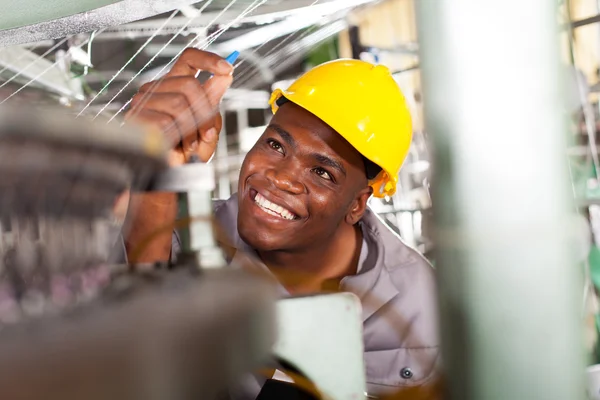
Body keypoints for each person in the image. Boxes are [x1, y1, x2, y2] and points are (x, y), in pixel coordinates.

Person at [119, 48, 440, 397]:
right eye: (275, 145)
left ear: (357, 203)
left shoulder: (423, 309)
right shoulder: (175, 239)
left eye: (322, 172)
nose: (281, 178)